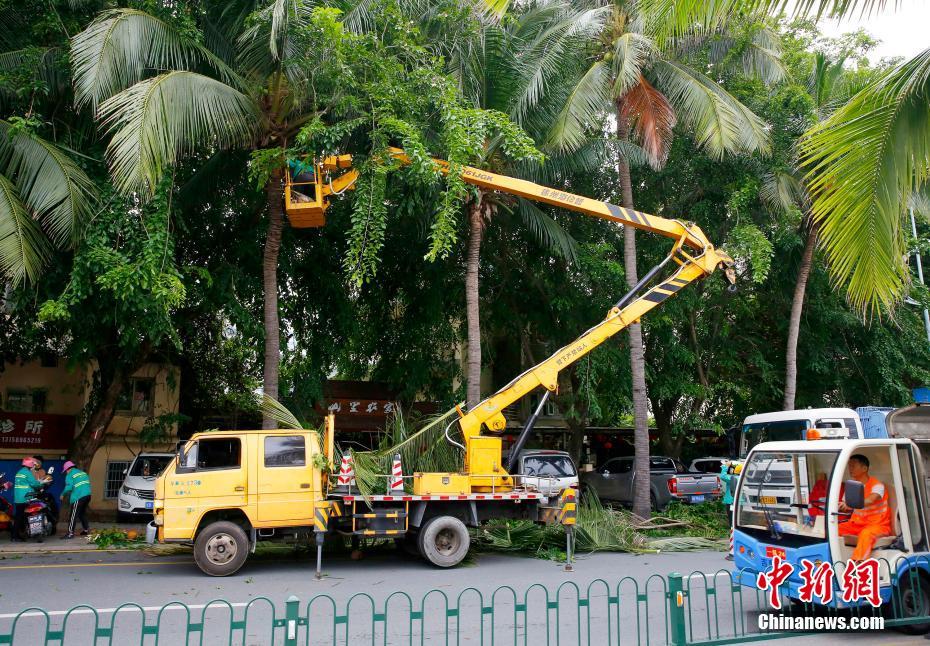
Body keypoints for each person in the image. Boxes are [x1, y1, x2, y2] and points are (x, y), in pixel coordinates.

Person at [837, 454, 892, 561]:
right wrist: (840, 506)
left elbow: (871, 500)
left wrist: (850, 504)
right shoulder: (851, 487)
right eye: (849, 465)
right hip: (856, 525)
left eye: (853, 465)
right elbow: (846, 505)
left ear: (864, 468)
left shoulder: (877, 485)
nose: (850, 468)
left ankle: (858, 563)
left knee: (866, 534)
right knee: (833, 529)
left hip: (878, 525)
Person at [13, 457, 44, 542]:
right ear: (30, 465)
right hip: (26, 498)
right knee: (31, 515)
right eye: (33, 464)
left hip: (18, 499)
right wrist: (41, 484)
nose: (33, 466)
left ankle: (15, 536)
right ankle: (18, 535)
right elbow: (34, 484)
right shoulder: (27, 472)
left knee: (19, 517)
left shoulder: (19, 472)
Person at [60, 461, 92, 539]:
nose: (66, 472)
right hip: (88, 495)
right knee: (81, 513)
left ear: (68, 469)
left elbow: (69, 487)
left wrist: (62, 494)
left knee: (73, 515)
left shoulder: (70, 474)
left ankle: (70, 533)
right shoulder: (83, 473)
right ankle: (86, 530)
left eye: (66, 471)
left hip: (79, 496)